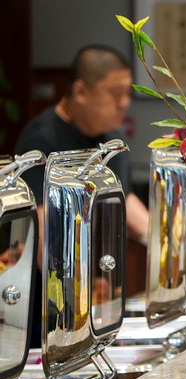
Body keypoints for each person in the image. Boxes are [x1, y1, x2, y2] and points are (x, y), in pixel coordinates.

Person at [14, 44, 149, 245]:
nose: (124, 103)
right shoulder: (40, 140)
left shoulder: (111, 136)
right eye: (116, 92)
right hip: (56, 266)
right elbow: (42, 232)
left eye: (126, 93)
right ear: (80, 92)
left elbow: (124, 199)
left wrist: (165, 242)